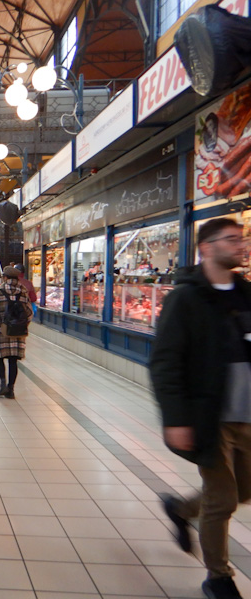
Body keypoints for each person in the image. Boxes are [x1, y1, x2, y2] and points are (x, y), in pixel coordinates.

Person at [150, 218, 251, 599]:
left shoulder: (247, 294)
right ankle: (218, 577)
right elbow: (165, 361)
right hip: (211, 416)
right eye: (231, 239)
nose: (240, 244)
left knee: (242, 491)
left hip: (248, 414)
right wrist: (177, 418)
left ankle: (180, 509)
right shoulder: (186, 298)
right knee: (222, 499)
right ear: (206, 248)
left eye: (241, 238)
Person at [0, 266, 33, 399]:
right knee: (13, 360)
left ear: (5, 277)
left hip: (2, 329)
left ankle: (3, 383)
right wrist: (22, 325)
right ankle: (11, 389)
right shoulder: (23, 291)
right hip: (17, 331)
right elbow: (29, 312)